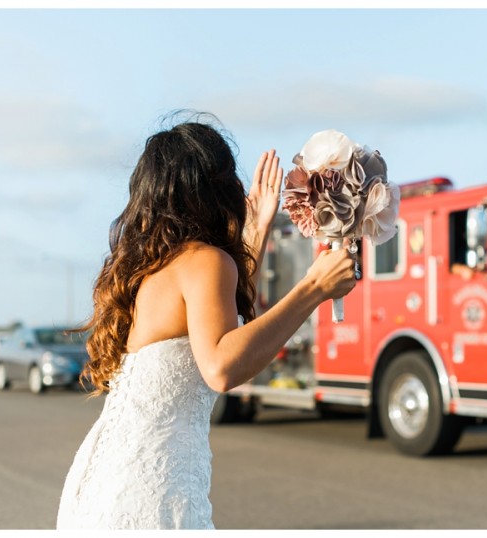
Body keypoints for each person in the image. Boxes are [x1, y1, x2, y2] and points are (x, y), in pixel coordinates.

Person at [56, 115, 356, 529]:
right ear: (213, 187)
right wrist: (314, 287)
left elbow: (223, 319)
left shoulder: (161, 267)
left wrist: (259, 227)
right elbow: (221, 366)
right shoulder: (205, 262)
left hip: (107, 485)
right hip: (150, 496)